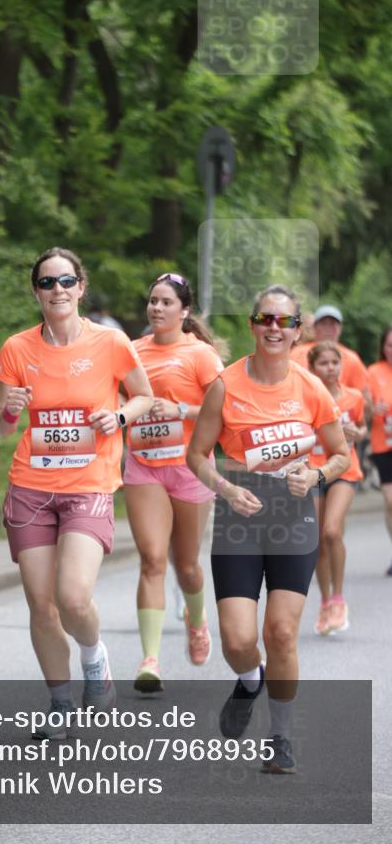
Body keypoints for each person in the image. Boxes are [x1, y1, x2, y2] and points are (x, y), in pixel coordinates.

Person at [187, 285, 349, 774]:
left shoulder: (310, 387)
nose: (274, 328)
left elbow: (342, 454)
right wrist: (227, 490)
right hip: (240, 518)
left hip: (293, 519)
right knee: (238, 641)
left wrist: (317, 475)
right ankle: (250, 680)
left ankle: (280, 736)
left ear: (297, 330)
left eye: (284, 322)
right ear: (253, 325)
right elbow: (196, 454)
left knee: (280, 633)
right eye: (265, 319)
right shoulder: (225, 384)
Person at [0, 247, 153, 735]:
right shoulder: (16, 349)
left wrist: (119, 415)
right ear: (36, 291)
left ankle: (94, 656)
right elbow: (0, 428)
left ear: (80, 287)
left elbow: (144, 395)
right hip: (31, 487)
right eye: (46, 283)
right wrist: (11, 409)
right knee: (41, 605)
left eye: (65, 281)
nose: (56, 290)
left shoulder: (111, 343)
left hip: (89, 484)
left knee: (73, 598)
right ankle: (60, 704)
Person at [123, 272, 225, 692]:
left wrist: (179, 409)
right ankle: (150, 660)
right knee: (151, 558)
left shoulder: (200, 354)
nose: (157, 308)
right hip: (144, 465)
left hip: (188, 467)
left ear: (184, 311)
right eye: (153, 301)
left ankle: (197, 621)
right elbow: (112, 397)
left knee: (187, 566)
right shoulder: (130, 351)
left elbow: (224, 410)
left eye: (166, 302)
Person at [307, 342, 366, 634]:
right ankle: (326, 601)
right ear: (312, 367)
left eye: (335, 362)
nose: (330, 368)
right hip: (315, 470)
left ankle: (340, 599)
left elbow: (363, 426)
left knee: (332, 530)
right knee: (317, 539)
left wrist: (358, 432)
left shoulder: (354, 397)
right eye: (323, 363)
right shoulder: (306, 398)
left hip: (345, 469)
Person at [291, 305, 370, 402]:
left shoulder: (352, 358)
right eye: (324, 323)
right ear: (315, 327)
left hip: (339, 410)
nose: (328, 328)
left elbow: (363, 396)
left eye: (333, 324)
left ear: (340, 328)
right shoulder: (297, 353)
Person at [367, 325, 392, 575]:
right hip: (383, 444)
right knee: (391, 501)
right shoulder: (374, 372)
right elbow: (363, 407)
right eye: (389, 345)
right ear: (383, 347)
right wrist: (373, 410)